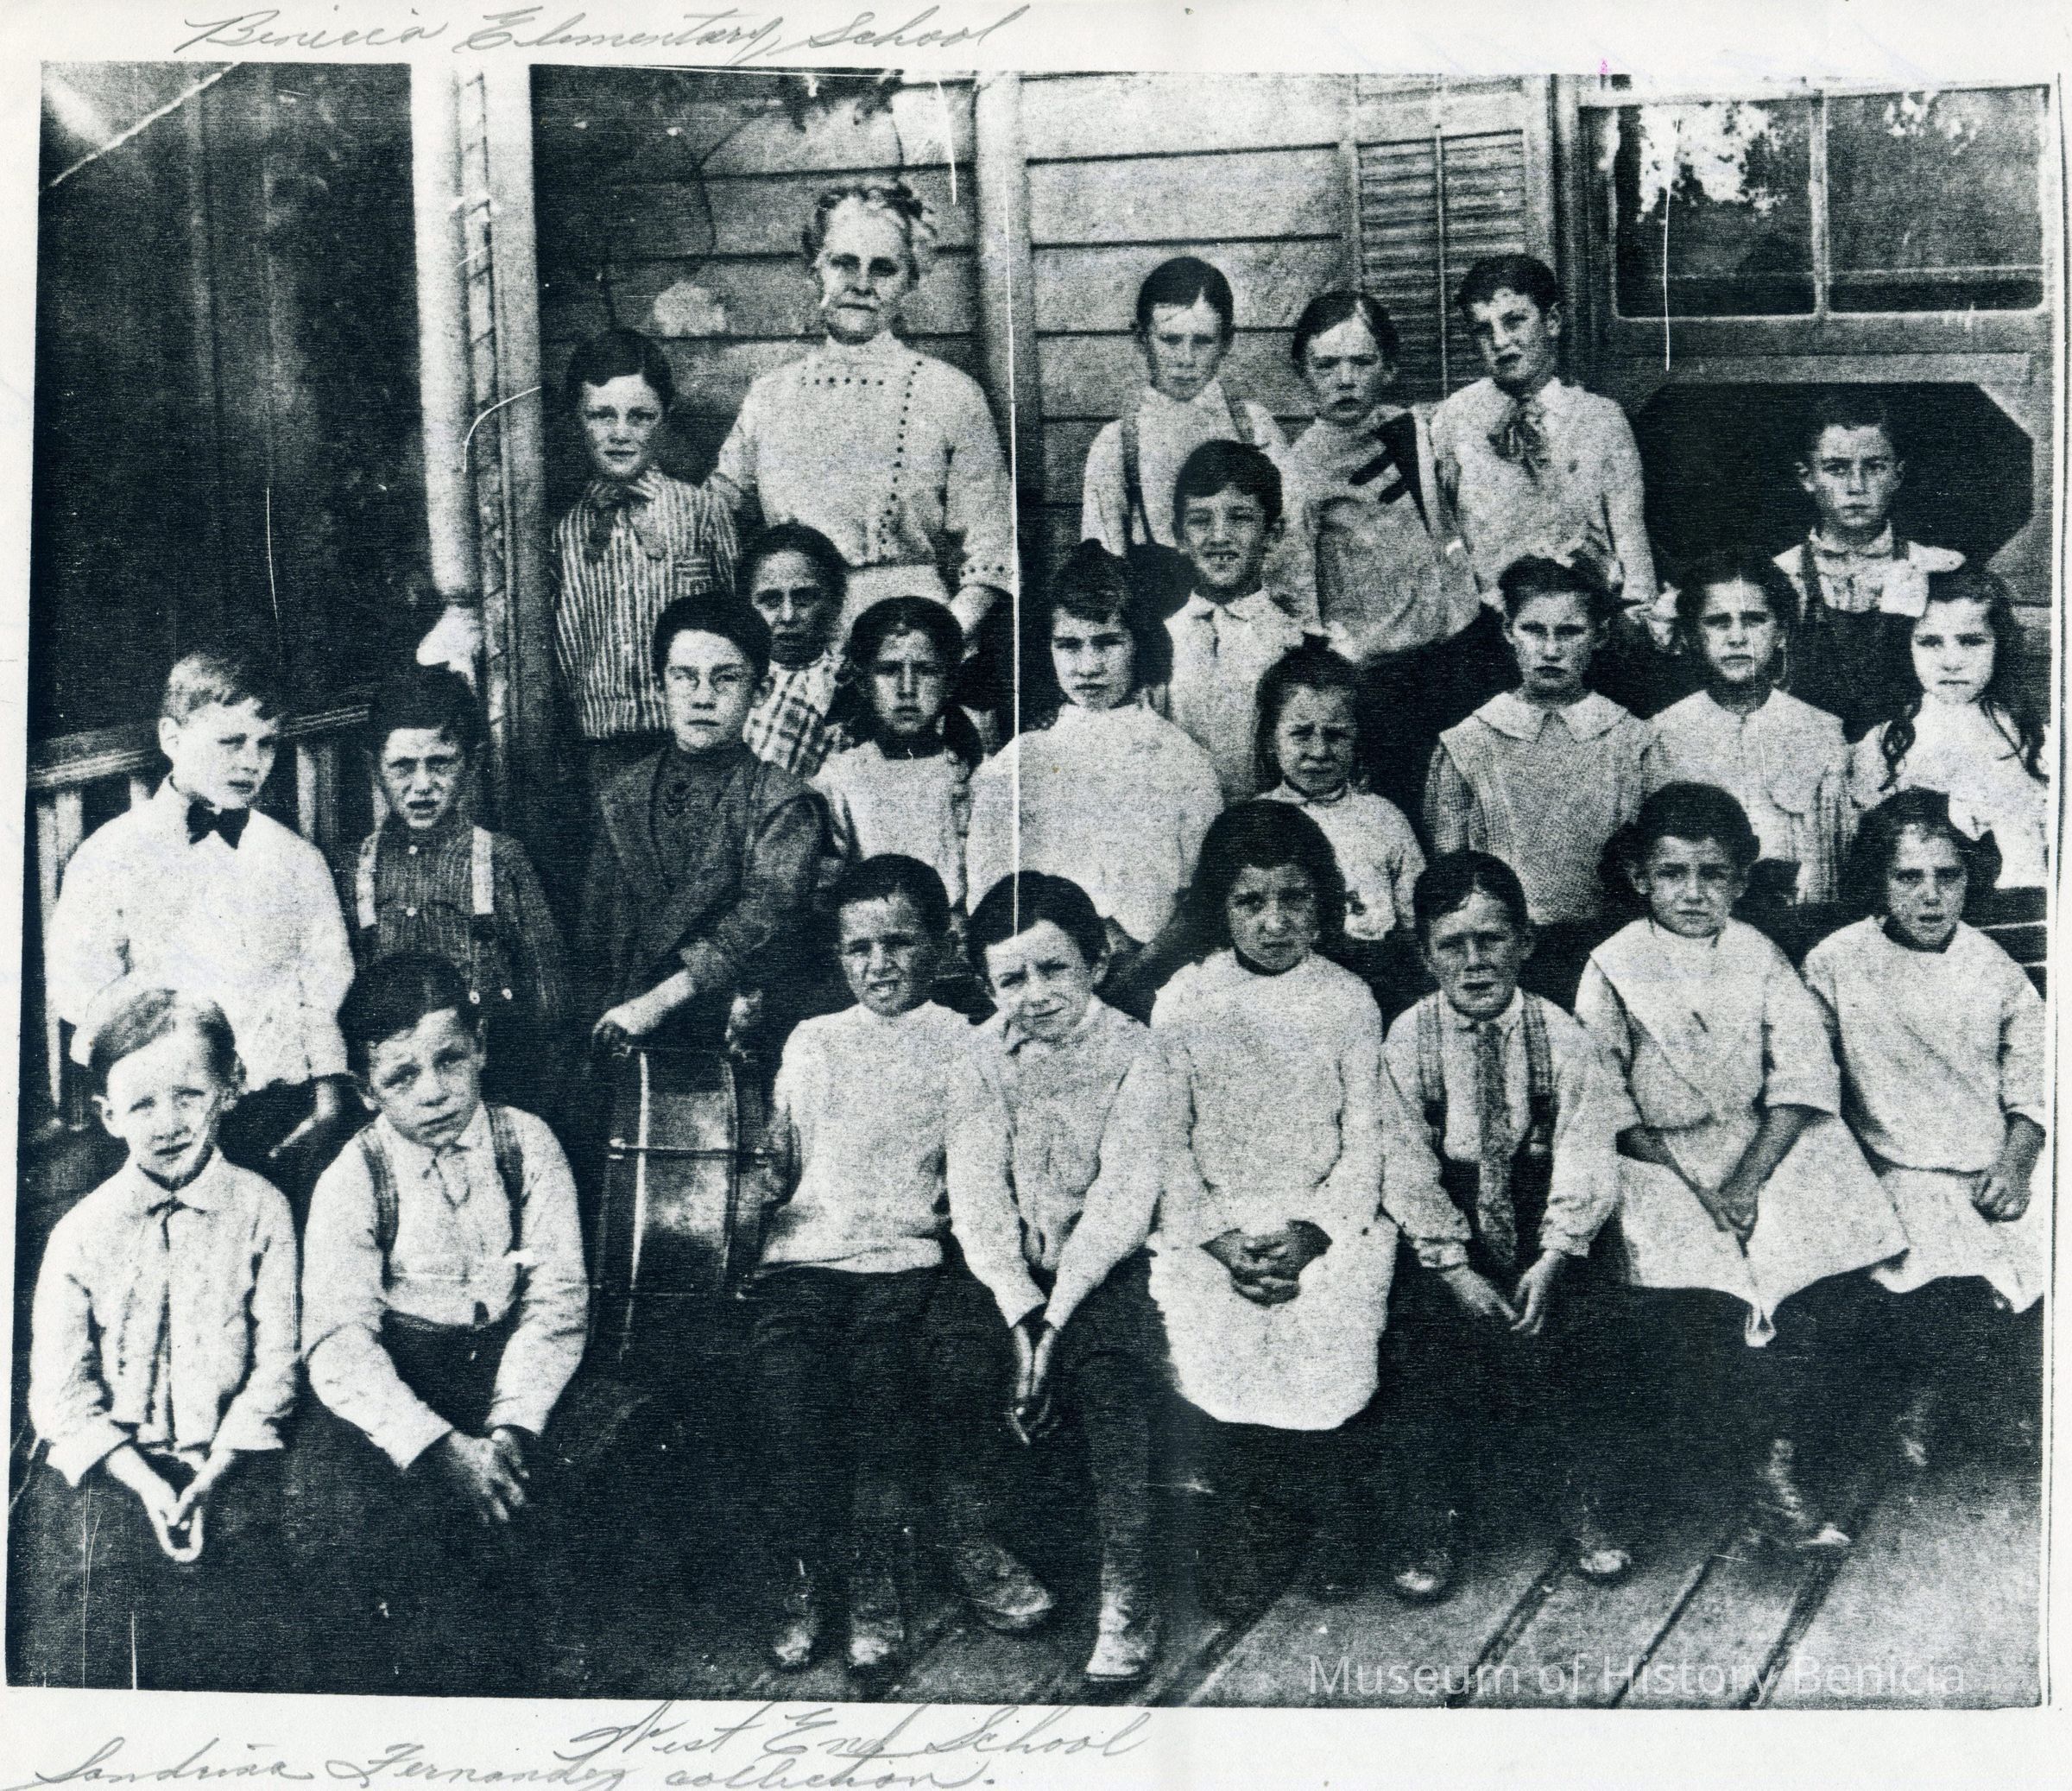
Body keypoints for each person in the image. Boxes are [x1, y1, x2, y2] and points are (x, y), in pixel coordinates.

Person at [1574, 785, 1906, 1553]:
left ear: (1741, 881)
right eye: (1673, 874)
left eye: (1713, 874)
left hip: (1756, 1145)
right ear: (1640, 878)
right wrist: (1696, 1186)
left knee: (1804, 1246)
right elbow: (1605, 1098)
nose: (1693, 893)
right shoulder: (1614, 967)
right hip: (1657, 1156)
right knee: (1705, 1272)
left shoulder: (1757, 955)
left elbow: (1802, 1074)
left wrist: (1748, 1181)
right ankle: (1749, 1466)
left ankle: (1783, 1455)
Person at [296, 952, 591, 1694]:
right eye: (401, 1077)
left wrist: (511, 1427)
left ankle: (537, 1687)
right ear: (366, 1090)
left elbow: (556, 1297)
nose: (433, 1091)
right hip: (405, 1377)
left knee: (564, 1499)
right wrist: (438, 1447)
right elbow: (338, 1341)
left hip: (510, 1368)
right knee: (352, 1526)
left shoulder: (527, 1143)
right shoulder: (354, 1176)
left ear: (481, 1047)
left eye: (450, 1060)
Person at [1147, 802, 1395, 1610]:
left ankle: (1331, 1513)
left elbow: (1366, 1139)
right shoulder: (1185, 1000)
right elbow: (1167, 1141)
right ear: (1219, 907)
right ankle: (1251, 1518)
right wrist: (1214, 1237)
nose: (1275, 921)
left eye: (1294, 898)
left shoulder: (1349, 999)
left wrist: (1317, 1231)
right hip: (1213, 1217)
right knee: (1212, 1328)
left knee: (1330, 1314)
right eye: (1250, 901)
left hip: (1322, 1214)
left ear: (1323, 899)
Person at [15, 989, 300, 1690]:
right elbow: (61, 1394)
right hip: (115, 1471)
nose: (167, 1123)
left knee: (255, 1630)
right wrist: (143, 1483)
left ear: (228, 1089)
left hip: (237, 1460)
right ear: (108, 1115)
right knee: (91, 1627)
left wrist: (215, 1469)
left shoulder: (263, 1210)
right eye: (141, 1104)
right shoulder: (81, 1231)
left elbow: (278, 1364)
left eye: (188, 1096)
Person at [932, 872, 1171, 1684]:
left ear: (1096, 963)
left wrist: (1056, 1319)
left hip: (1105, 1264)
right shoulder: (978, 1056)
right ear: (986, 987)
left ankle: (1129, 1583)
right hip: (1003, 1265)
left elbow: (1122, 1203)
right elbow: (977, 1199)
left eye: (1053, 969)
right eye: (1010, 979)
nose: (1033, 995)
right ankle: (973, 1543)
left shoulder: (1139, 1054)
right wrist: (1017, 1312)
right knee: (956, 1358)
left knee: (1108, 1373)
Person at [1379, 853, 1633, 1603]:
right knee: (1420, 1349)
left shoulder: (1561, 1036)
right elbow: (1403, 1161)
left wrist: (1557, 1254)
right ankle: (1434, 1515)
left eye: (1492, 940)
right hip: (1448, 1226)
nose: (1475, 961)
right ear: (1426, 954)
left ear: (1525, 942)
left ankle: (1585, 1499)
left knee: (1585, 1334)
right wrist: (1452, 1267)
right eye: (1453, 945)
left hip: (1542, 1215)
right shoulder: (1409, 1040)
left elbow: (1587, 1151)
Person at [747, 855, 974, 1680]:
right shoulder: (813, 1040)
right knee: (788, 1383)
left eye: (899, 943)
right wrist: (757, 1179)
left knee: (884, 1382)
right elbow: (782, 1165)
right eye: (858, 948)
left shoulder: (964, 1043)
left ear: (941, 945)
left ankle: (876, 1574)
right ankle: (807, 1573)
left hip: (906, 1259)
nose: (879, 965)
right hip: (804, 1258)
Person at [45, 649, 356, 1206]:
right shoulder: (109, 856)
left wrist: (328, 1104)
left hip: (274, 1113)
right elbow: (82, 1000)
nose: (251, 763)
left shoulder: (295, 861)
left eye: (265, 745)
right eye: (230, 742)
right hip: (163, 1121)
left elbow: (323, 988)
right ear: (172, 737)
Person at [1803, 792, 2046, 1469]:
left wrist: (2017, 1162)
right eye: (1908, 877)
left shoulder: (1993, 967)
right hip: (1895, 1163)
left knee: (2037, 1236)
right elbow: (1808, 1077)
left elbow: (2035, 1078)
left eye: (1948, 875)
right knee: (1929, 1251)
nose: (1931, 896)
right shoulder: (1837, 962)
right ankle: (1931, 1399)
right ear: (1879, 882)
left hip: (1998, 1157)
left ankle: (1992, 1397)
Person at [710, 180, 1014, 680]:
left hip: (911, 647)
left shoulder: (951, 393)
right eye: (844, 263)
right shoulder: (769, 395)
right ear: (815, 268)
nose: (862, 284)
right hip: (794, 645)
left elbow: (993, 550)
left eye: (884, 268)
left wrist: (937, 644)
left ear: (911, 280)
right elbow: (714, 513)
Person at [966, 543, 1224, 1018]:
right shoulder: (1018, 763)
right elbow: (989, 892)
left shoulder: (1183, 762)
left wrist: (1141, 967)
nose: (1088, 666)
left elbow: (1202, 897)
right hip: (1039, 989)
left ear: (1140, 644)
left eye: (1107, 643)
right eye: (1069, 645)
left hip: (1154, 981)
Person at [578, 592, 832, 1060]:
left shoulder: (784, 803)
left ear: (761, 692)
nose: (702, 697)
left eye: (726, 678)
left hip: (730, 1029)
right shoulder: (623, 794)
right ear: (659, 686)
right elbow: (596, 935)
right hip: (622, 1029)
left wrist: (657, 1002)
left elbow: (763, 919)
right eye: (684, 677)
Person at [1281, 289, 1505, 817]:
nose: (1345, 379)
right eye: (1326, 365)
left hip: (1462, 655)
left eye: (1362, 362)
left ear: (1389, 368)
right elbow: (1296, 592)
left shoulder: (1418, 432)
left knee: (1476, 805)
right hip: (1383, 680)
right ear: (1303, 372)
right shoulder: (1299, 469)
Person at [341, 666, 572, 1114]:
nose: (422, 785)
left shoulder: (500, 860)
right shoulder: (354, 869)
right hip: (393, 1106)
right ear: (375, 769)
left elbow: (552, 1008)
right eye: (402, 767)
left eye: (440, 763)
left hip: (493, 1095)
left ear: (472, 762)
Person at [1424, 555, 1652, 1003]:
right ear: (1508, 630)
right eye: (1534, 630)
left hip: (1613, 949)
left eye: (1569, 632)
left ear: (1600, 635)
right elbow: (1450, 872)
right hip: (1502, 957)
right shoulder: (1467, 744)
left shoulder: (1633, 742)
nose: (1550, 650)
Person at [552, 327, 741, 796]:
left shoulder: (701, 511)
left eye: (640, 416)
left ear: (664, 417)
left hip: (691, 739)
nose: (620, 433)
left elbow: (736, 622)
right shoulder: (564, 533)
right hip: (599, 747)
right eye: (601, 415)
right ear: (576, 419)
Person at [1430, 254, 1657, 617]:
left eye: (1514, 321)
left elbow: (1630, 540)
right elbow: (1442, 538)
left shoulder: (1601, 420)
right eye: (1483, 330)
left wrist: (1637, 616)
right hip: (1492, 619)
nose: (1500, 341)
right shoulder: (1454, 419)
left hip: (1582, 617)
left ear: (1551, 321)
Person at [1080, 254, 1292, 609]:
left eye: (1203, 341)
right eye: (1171, 339)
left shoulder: (1254, 427)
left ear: (1227, 341)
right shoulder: (1117, 443)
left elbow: (1291, 548)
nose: (1186, 358)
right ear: (1141, 338)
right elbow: (1103, 563)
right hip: (1159, 625)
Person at [1646, 550, 1852, 909]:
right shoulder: (1660, 735)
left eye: (1754, 620)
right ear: (1692, 634)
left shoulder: (1821, 731)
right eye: (1718, 622)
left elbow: (1837, 862)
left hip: (1801, 921)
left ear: (1782, 633)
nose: (1737, 638)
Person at [1773, 389, 1965, 742]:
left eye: (1875, 468)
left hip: (1909, 747)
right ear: (1806, 477)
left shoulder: (1937, 568)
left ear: (1898, 475)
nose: (1856, 487)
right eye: (1836, 469)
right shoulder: (1779, 575)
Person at [1848, 567, 2050, 890]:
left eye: (1971, 641)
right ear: (1906, 648)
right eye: (1930, 642)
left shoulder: (2037, 743)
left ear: (1999, 644)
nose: (1951, 661)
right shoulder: (1885, 745)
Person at [1255, 642, 1425, 1017]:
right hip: (1281, 992)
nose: (1319, 751)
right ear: (1271, 740)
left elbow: (1415, 925)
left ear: (1358, 738)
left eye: (1335, 735)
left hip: (1376, 984)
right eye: (1301, 733)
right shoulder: (1252, 820)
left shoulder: (1383, 818)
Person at [1159, 440, 1310, 801]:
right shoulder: (1160, 638)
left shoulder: (1296, 644)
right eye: (1201, 520)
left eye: (1240, 518)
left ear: (1272, 533)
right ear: (1179, 536)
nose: (1219, 536)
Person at [816, 594, 982, 917]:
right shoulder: (839, 779)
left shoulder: (973, 776)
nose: (907, 688)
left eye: (925, 670)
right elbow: (824, 893)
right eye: (890, 670)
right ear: (863, 682)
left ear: (950, 682)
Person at [740, 521, 852, 780]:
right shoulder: (736, 676)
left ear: (835, 602)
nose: (788, 616)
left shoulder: (843, 682)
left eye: (804, 599)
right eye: (770, 601)